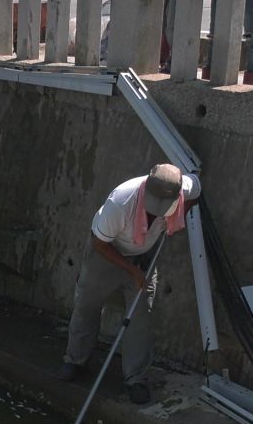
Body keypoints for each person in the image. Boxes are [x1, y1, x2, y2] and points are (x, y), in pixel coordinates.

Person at [59, 164, 201, 405]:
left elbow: (197, 191)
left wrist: (178, 217)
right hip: (107, 253)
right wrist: (131, 270)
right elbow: (99, 243)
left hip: (144, 255)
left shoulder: (184, 188)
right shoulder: (120, 202)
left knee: (141, 317)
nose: (158, 213)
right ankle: (75, 360)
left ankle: (136, 379)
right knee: (87, 305)